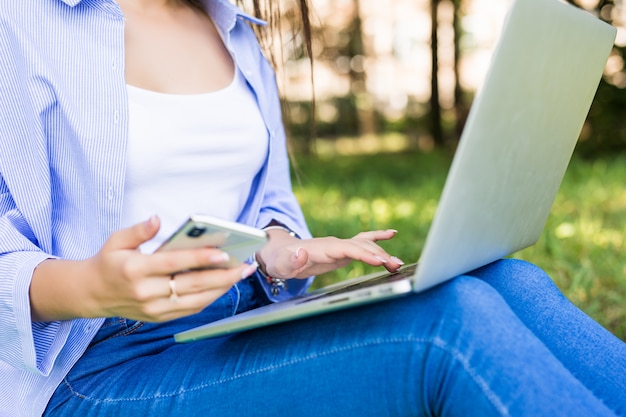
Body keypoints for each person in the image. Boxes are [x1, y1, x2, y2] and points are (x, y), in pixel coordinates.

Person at [0, 0, 624, 415]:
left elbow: (267, 203)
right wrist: (88, 287)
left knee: (505, 279)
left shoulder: (234, 29)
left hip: (236, 319)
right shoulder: (21, 22)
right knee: (447, 328)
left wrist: (284, 251)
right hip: (98, 362)